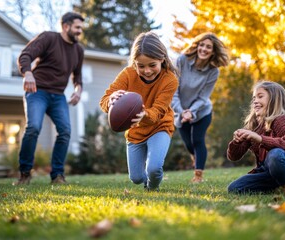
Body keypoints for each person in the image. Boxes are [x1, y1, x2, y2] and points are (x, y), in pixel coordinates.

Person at [99, 32, 178, 191]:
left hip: (159, 127)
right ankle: (145, 183)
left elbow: (158, 111)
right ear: (134, 63)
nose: (147, 71)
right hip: (136, 131)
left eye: (152, 65)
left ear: (162, 59)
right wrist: (112, 100)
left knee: (154, 169)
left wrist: (144, 115)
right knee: (135, 178)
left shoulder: (170, 79)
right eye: (141, 66)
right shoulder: (128, 74)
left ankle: (152, 188)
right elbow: (104, 101)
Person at [15, 12, 85, 185]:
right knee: (33, 128)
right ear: (66, 26)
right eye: (77, 27)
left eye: (81, 28)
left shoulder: (78, 50)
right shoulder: (48, 38)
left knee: (65, 131)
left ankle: (57, 176)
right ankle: (25, 173)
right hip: (37, 91)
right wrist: (28, 73)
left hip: (58, 96)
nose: (79, 31)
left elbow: (77, 76)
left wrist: (78, 90)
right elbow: (25, 55)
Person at [227, 81, 285, 198]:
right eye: (254, 98)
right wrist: (236, 142)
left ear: (274, 99)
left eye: (260, 96)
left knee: (275, 154)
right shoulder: (254, 126)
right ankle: (276, 187)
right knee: (234, 188)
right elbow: (234, 156)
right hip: (266, 173)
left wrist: (260, 139)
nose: (255, 101)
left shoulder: (281, 120)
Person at [171, 33, 229, 183]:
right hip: (179, 111)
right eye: (202, 45)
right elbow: (173, 91)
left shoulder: (213, 71)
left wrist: (191, 111)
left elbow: (204, 97)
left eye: (208, 47)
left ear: (213, 51)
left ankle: (198, 176)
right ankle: (196, 158)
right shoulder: (182, 60)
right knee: (189, 145)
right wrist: (182, 111)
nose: (204, 49)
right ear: (197, 46)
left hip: (202, 111)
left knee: (197, 140)